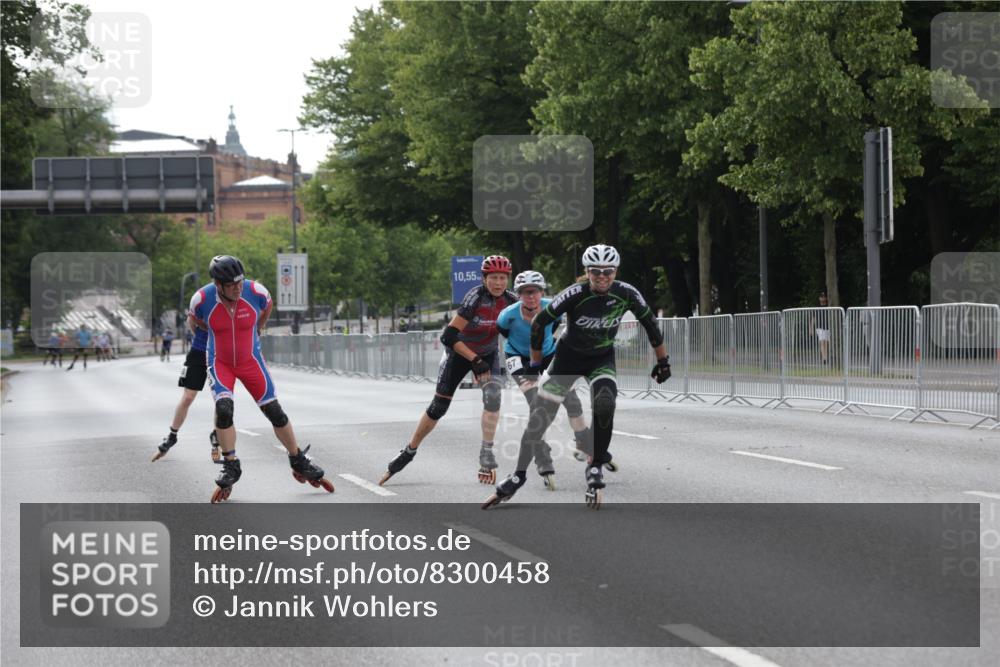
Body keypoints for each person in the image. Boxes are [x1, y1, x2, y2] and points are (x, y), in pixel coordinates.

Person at [483, 244, 671, 510]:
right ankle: (518, 475)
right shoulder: (575, 294)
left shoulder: (626, 293)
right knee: (540, 416)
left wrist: (663, 361)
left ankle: (594, 467)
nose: (602, 277)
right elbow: (539, 323)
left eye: (608, 271)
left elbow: (651, 325)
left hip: (600, 359)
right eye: (596, 272)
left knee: (605, 403)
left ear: (616, 271)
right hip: (567, 360)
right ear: (587, 271)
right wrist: (536, 361)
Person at [188, 255, 335, 502]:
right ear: (218, 284)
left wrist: (258, 329)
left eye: (240, 281)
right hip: (220, 362)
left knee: (275, 412)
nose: (238, 287)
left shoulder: (256, 292)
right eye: (231, 284)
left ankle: (297, 459)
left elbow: (266, 308)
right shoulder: (202, 300)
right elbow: (195, 323)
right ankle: (231, 464)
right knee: (224, 410)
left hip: (250, 361)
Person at [379, 255, 518, 486]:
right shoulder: (475, 298)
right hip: (460, 353)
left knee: (493, 399)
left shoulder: (511, 301)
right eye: (493, 278)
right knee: (438, 408)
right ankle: (409, 451)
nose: (498, 283)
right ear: (484, 279)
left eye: (503, 278)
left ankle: (486, 452)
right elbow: (448, 336)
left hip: (488, 354)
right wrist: (474, 359)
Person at [496, 270, 595, 490]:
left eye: (535, 292)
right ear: (519, 294)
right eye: (525, 293)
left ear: (542, 292)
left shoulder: (553, 306)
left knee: (571, 400)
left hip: (547, 354)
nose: (530, 297)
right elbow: (504, 333)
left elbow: (558, 324)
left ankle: (583, 441)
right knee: (537, 406)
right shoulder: (508, 315)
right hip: (519, 357)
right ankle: (542, 457)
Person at [150, 323, 221, 463]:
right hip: (198, 351)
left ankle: (216, 436)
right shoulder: (200, 300)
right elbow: (192, 321)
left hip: (219, 354)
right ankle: (172, 436)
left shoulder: (232, 301)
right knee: (188, 397)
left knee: (221, 401)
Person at [810, 292, 831, 365]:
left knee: (826, 343)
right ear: (819, 298)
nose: (822, 298)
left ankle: (825, 356)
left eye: (824, 297)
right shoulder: (817, 307)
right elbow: (813, 318)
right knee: (822, 342)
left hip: (828, 327)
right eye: (821, 297)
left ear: (826, 298)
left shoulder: (829, 306)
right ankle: (824, 358)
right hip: (819, 327)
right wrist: (811, 328)